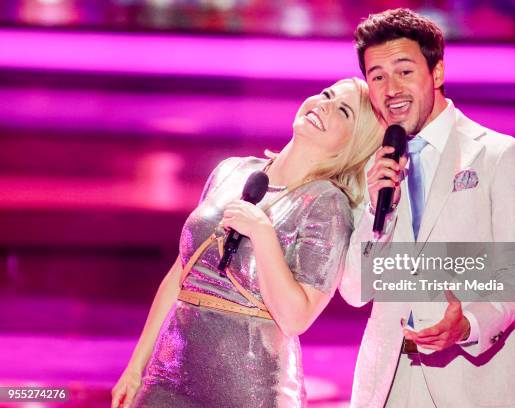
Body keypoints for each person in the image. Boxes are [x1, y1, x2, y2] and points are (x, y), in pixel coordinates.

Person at [110, 77, 382, 408]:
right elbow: (180, 275)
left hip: (250, 389)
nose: (324, 104)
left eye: (343, 110)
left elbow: (297, 318)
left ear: (354, 143)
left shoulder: (327, 204)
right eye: (326, 94)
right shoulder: (232, 171)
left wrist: (262, 232)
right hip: (167, 377)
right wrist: (137, 367)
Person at [339, 8, 515, 408]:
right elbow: (354, 290)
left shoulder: (498, 155)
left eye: (404, 71)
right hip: (387, 384)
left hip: (472, 380)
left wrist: (468, 323)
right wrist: (372, 219)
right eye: (377, 76)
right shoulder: (374, 168)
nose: (391, 88)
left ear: (436, 74)